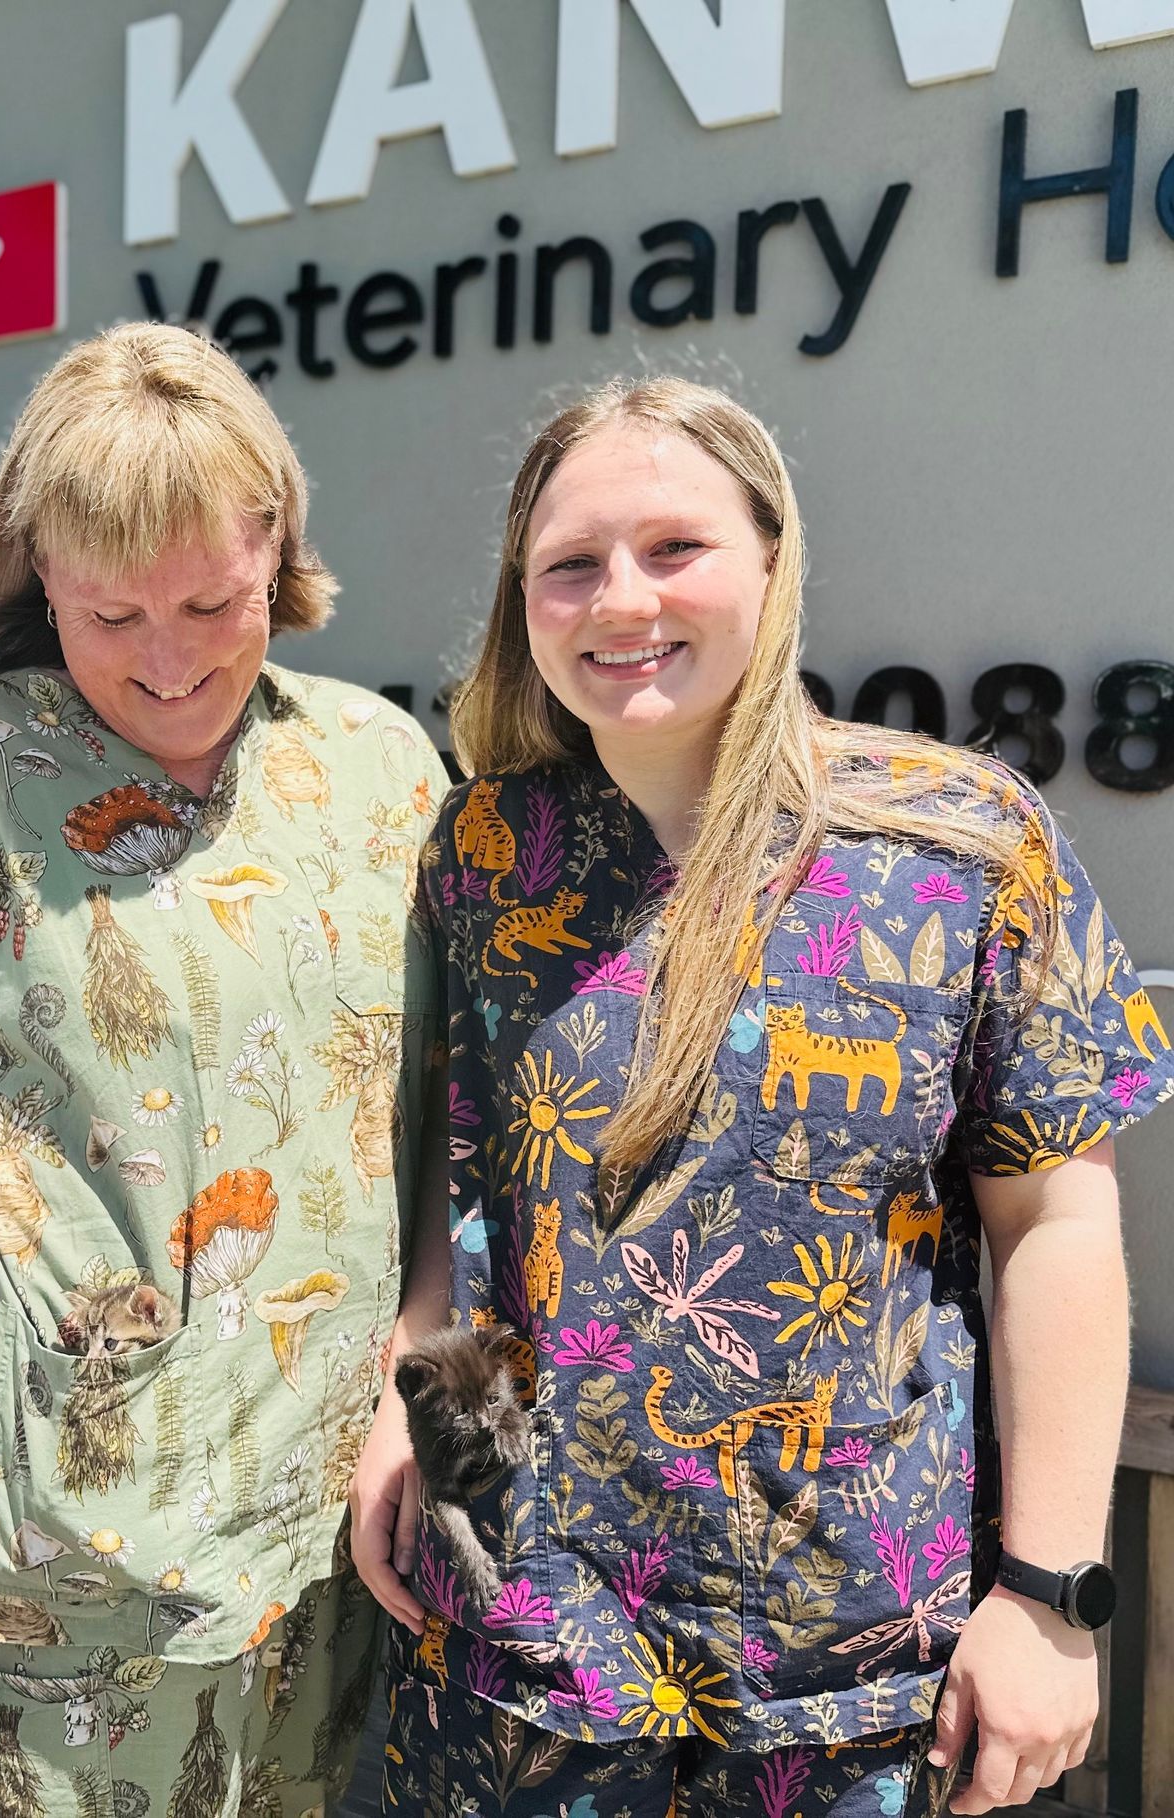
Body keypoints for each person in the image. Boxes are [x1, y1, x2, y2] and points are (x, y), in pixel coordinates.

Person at [357, 376, 1173, 1817]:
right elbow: (463, 1174)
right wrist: (399, 1399)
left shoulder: (956, 845)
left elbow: (1056, 1218)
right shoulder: (481, 850)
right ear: (523, 599)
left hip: (850, 1682)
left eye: (675, 548)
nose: (622, 599)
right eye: (571, 563)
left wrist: (1052, 1592)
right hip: (531, 1656)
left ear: (774, 560)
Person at [0, 320, 449, 1812]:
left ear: (275, 545)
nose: (168, 664)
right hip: (41, 1591)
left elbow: (438, 1129)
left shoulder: (379, 771)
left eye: (213, 603)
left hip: (317, 1560)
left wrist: (415, 1390)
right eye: (111, 617)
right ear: (40, 579)